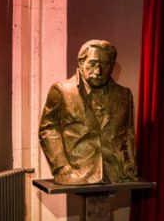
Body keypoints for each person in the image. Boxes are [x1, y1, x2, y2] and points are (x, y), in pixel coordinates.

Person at [39, 39, 137, 185]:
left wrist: (130, 166)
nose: (98, 71)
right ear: (80, 63)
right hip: (77, 171)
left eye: (104, 64)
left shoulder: (124, 95)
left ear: (112, 66)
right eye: (92, 64)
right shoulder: (62, 91)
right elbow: (48, 130)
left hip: (115, 172)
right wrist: (61, 166)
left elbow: (128, 133)